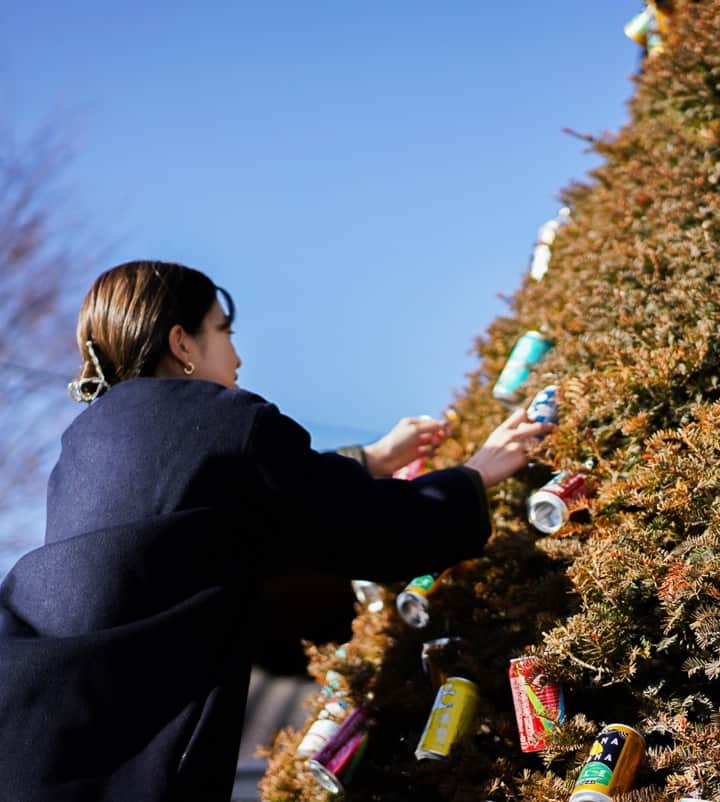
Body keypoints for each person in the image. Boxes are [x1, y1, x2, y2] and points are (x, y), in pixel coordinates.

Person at [0, 260, 553, 802]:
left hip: (30, 734)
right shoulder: (228, 419)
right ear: (182, 344)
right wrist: (474, 475)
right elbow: (371, 529)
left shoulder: (83, 449)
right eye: (223, 330)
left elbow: (246, 504)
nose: (237, 356)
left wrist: (369, 459)